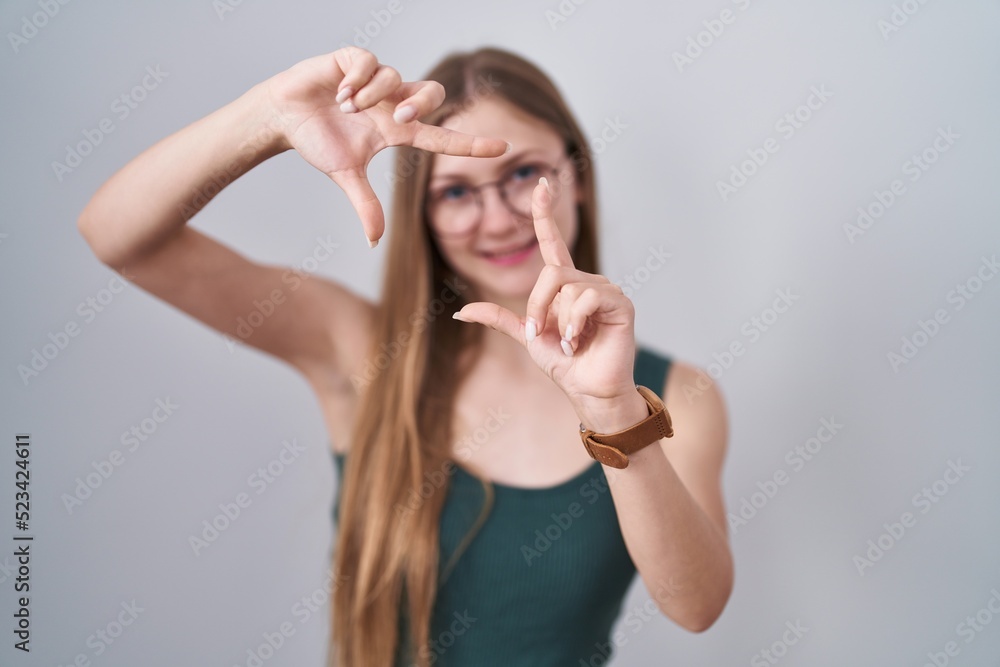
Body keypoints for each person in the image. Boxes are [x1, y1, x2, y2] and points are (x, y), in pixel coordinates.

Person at [77, 45, 733, 667]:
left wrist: (612, 408)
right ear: (423, 214)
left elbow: (697, 606)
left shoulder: (673, 393)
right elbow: (117, 237)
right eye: (456, 193)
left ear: (578, 175)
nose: (500, 217)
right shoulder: (360, 349)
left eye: (524, 174)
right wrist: (268, 117)